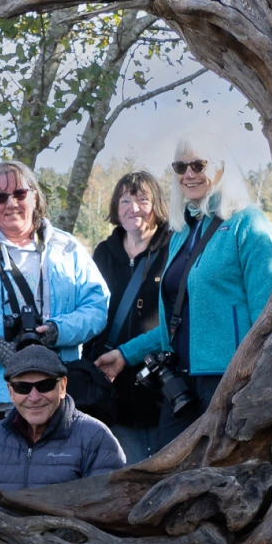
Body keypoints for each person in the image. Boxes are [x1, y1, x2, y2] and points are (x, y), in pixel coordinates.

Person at [96, 138, 272, 447]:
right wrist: (125, 355)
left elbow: (270, 313)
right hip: (180, 382)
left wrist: (255, 377)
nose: (189, 174)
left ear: (221, 169)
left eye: (199, 165)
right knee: (169, 476)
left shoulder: (248, 224)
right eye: (181, 167)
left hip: (228, 379)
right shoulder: (184, 233)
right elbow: (175, 321)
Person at [0, 160, 110, 442]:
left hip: (58, 397)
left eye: (19, 193)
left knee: (61, 482)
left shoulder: (67, 249)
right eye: (0, 196)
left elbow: (97, 307)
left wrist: (57, 331)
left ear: (34, 197)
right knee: (1, 485)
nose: (11, 203)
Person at [88, 171, 171, 464]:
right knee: (123, 474)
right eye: (125, 200)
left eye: (142, 199)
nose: (133, 208)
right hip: (114, 386)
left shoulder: (174, 248)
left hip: (163, 387)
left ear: (157, 204)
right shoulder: (103, 253)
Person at [0, 345, 126, 490]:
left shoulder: (96, 437)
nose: (34, 397)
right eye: (22, 388)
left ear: (63, 386)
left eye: (45, 385)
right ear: (11, 392)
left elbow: (106, 509)